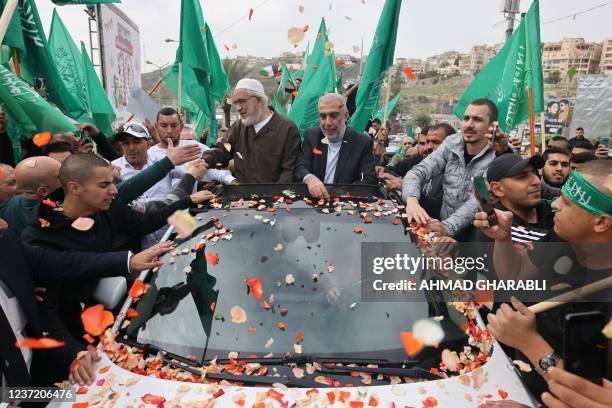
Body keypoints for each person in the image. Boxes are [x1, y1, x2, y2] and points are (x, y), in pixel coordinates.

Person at [21, 154, 214, 380]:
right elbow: (45, 312)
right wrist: (73, 353)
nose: (114, 190)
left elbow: (143, 224)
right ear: (74, 188)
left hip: (104, 327)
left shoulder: (106, 208)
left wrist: (188, 202)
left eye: (112, 182)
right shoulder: (39, 239)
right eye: (104, 185)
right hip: (65, 347)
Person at [474, 160, 611, 401]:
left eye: (567, 203)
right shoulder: (562, 239)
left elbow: (591, 397)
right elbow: (514, 278)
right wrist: (503, 239)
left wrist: (529, 341)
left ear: (600, 222)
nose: (555, 204)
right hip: (510, 381)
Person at [0, 217, 172, 387]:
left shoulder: (6, 242)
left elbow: (60, 263)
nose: (4, 225)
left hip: (35, 385)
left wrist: (128, 261)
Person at [403, 98, 509, 238]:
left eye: (477, 119)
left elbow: (480, 200)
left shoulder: (501, 154)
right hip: (442, 231)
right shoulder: (451, 143)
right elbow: (418, 171)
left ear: (492, 126)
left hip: (478, 235)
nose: (469, 125)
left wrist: (446, 228)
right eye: (466, 118)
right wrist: (411, 201)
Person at [203, 78, 302, 183]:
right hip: (242, 196)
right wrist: (204, 161)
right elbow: (223, 151)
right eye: (236, 103)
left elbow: (289, 171)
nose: (238, 108)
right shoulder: (238, 127)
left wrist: (275, 196)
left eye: (242, 101)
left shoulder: (287, 128)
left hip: (274, 197)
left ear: (259, 100)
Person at [294, 93, 376, 199]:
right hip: (313, 205)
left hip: (345, 206)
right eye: (323, 116)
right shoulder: (311, 135)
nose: (327, 122)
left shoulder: (362, 142)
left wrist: (340, 193)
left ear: (346, 116)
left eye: (333, 115)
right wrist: (309, 178)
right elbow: (300, 166)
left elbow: (369, 180)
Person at [149, 110, 236, 186]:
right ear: (156, 127)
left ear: (181, 126)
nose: (169, 130)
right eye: (164, 126)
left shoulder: (195, 148)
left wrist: (230, 180)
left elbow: (213, 169)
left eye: (174, 125)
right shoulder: (149, 155)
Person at [483, 153, 553, 244]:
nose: (537, 181)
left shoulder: (553, 209)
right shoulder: (493, 226)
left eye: (534, 172)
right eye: (522, 177)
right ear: (497, 189)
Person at [0, 156, 62, 236]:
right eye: (60, 177)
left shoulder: (8, 206)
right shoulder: (59, 216)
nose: (67, 178)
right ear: (43, 191)